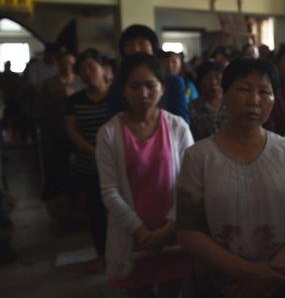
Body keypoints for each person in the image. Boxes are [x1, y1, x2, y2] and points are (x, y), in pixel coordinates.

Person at [177, 58, 285, 297]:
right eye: (244, 89)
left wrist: (271, 272)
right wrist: (248, 272)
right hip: (223, 282)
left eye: (264, 92)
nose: (254, 101)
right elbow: (188, 231)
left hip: (281, 278)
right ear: (224, 94)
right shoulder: (199, 156)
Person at [96, 53, 194, 297]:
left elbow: (191, 183)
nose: (143, 94)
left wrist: (167, 229)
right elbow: (110, 192)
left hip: (172, 233)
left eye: (151, 85)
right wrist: (142, 233)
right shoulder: (108, 134)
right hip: (132, 236)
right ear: (123, 90)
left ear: (162, 88)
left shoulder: (177, 126)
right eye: (135, 86)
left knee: (172, 291)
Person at [65, 48, 112, 273]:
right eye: (82, 69)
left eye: (92, 66)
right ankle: (102, 255)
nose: (87, 72)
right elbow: (72, 130)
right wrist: (92, 151)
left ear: (104, 70)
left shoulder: (118, 96)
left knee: (120, 209)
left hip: (116, 162)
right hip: (90, 163)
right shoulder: (75, 101)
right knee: (95, 212)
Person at [108, 24, 189, 123]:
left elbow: (182, 122)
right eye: (130, 44)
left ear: (153, 48)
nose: (136, 49)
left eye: (142, 43)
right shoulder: (117, 84)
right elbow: (112, 121)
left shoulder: (173, 82)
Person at [40, 48, 86, 219]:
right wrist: (56, 98)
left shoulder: (80, 81)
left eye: (70, 64)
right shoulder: (49, 83)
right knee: (57, 166)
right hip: (56, 130)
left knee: (77, 166)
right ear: (58, 64)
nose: (67, 67)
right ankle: (59, 201)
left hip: (77, 130)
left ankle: (78, 202)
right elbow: (41, 106)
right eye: (63, 64)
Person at [189, 61, 228, 140]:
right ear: (200, 81)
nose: (213, 82)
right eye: (207, 78)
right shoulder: (192, 108)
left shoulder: (233, 105)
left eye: (217, 78)